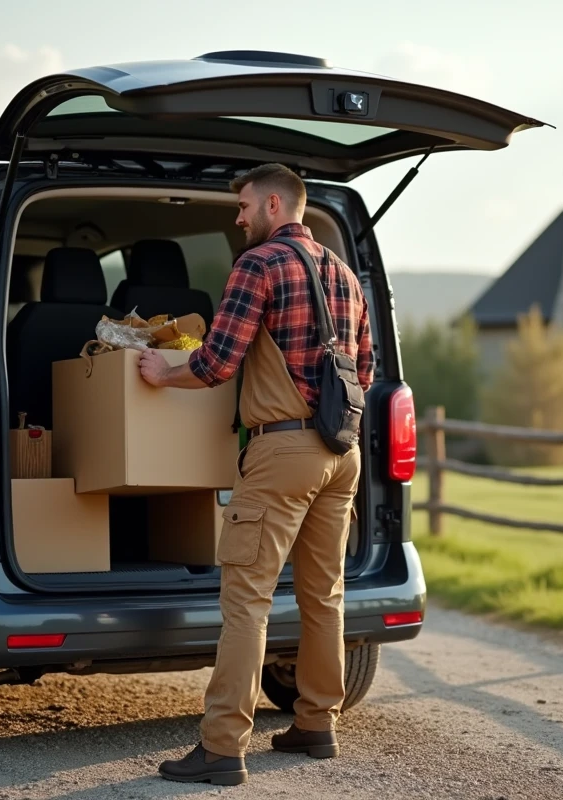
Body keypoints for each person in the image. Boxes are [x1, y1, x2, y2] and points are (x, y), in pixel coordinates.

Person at [137, 163, 373, 786]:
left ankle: (221, 748)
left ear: (274, 203)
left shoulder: (259, 266)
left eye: (243, 206)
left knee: (246, 599)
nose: (237, 217)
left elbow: (216, 362)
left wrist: (161, 375)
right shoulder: (346, 275)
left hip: (281, 452)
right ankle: (317, 722)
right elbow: (365, 372)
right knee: (324, 595)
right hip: (341, 454)